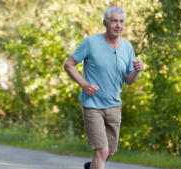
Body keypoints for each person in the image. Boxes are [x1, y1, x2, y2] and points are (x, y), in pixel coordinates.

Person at [64, 6, 144, 169]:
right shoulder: (90, 43)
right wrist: (84, 84)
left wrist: (136, 70)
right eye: (114, 21)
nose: (118, 25)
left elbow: (129, 81)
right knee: (102, 151)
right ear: (105, 23)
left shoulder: (128, 47)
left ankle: (91, 167)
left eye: (121, 22)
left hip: (114, 106)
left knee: (109, 153)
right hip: (93, 105)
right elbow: (68, 65)